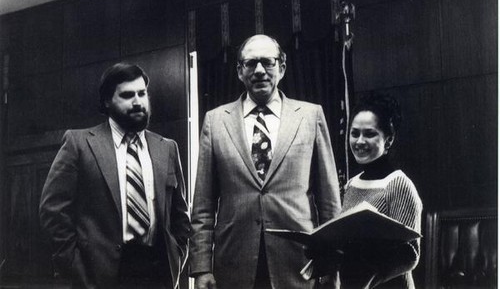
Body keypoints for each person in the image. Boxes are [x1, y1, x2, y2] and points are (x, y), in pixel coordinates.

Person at [189, 34, 342, 289]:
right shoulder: (215, 122)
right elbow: (203, 206)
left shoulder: (310, 116)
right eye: (250, 63)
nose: (259, 70)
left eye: (267, 62)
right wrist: (202, 267)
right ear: (239, 71)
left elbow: (329, 202)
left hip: (299, 264)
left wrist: (330, 263)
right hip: (234, 266)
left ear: (281, 68)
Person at [39, 62, 190, 289]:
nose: (138, 102)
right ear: (108, 101)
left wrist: (177, 256)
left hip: (158, 274)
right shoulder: (79, 143)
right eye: (128, 95)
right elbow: (53, 211)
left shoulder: (167, 148)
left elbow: (180, 217)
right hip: (99, 276)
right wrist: (75, 266)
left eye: (142, 93)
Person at [312, 93, 422, 288]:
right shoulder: (351, 185)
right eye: (355, 133)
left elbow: (410, 254)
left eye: (369, 134)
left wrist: (367, 280)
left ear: (388, 140)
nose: (360, 141)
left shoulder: (398, 183)